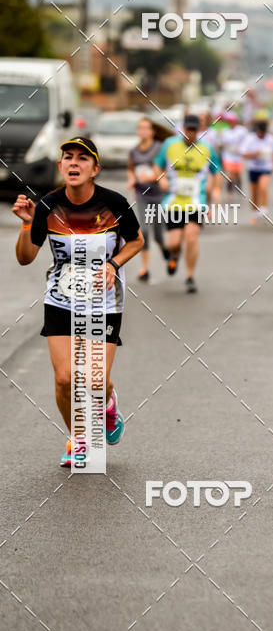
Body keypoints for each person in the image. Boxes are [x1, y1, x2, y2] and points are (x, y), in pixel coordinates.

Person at [12, 136, 144, 467]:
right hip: (61, 298)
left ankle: (108, 404)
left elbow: (137, 241)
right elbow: (26, 259)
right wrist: (27, 224)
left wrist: (114, 264)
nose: (74, 163)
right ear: (60, 166)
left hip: (104, 302)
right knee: (65, 378)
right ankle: (79, 437)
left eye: (82, 158)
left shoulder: (114, 203)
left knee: (95, 379)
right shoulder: (47, 206)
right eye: (68, 157)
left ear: (95, 169)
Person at [153, 113, 221, 293]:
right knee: (174, 243)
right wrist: (161, 180)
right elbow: (157, 164)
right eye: (188, 129)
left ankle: (190, 276)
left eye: (194, 130)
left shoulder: (207, 149)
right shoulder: (169, 145)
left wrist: (214, 191)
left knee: (191, 238)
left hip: (197, 203)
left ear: (199, 130)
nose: (190, 133)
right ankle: (174, 256)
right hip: (173, 202)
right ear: (183, 129)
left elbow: (216, 171)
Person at [127, 117, 170, 281]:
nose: (142, 131)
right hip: (142, 195)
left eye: (146, 128)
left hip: (159, 195)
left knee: (158, 234)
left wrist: (152, 176)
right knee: (143, 230)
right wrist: (131, 179)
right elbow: (131, 169)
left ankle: (164, 248)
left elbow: (167, 171)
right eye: (140, 128)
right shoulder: (134, 151)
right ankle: (145, 269)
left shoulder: (160, 149)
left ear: (152, 131)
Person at [239, 119, 273, 225]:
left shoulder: (270, 139)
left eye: (263, 132)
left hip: (266, 167)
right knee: (254, 193)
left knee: (263, 187)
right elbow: (243, 153)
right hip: (253, 168)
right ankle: (254, 214)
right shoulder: (250, 139)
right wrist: (254, 154)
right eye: (259, 132)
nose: (261, 134)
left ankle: (264, 208)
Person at [220, 113, 247, 199]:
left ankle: (239, 186)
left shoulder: (242, 130)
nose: (231, 123)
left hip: (239, 156)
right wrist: (227, 146)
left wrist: (241, 149)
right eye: (230, 122)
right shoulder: (225, 131)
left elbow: (246, 141)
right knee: (229, 175)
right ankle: (229, 192)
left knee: (237, 174)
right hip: (228, 156)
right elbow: (222, 143)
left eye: (233, 121)